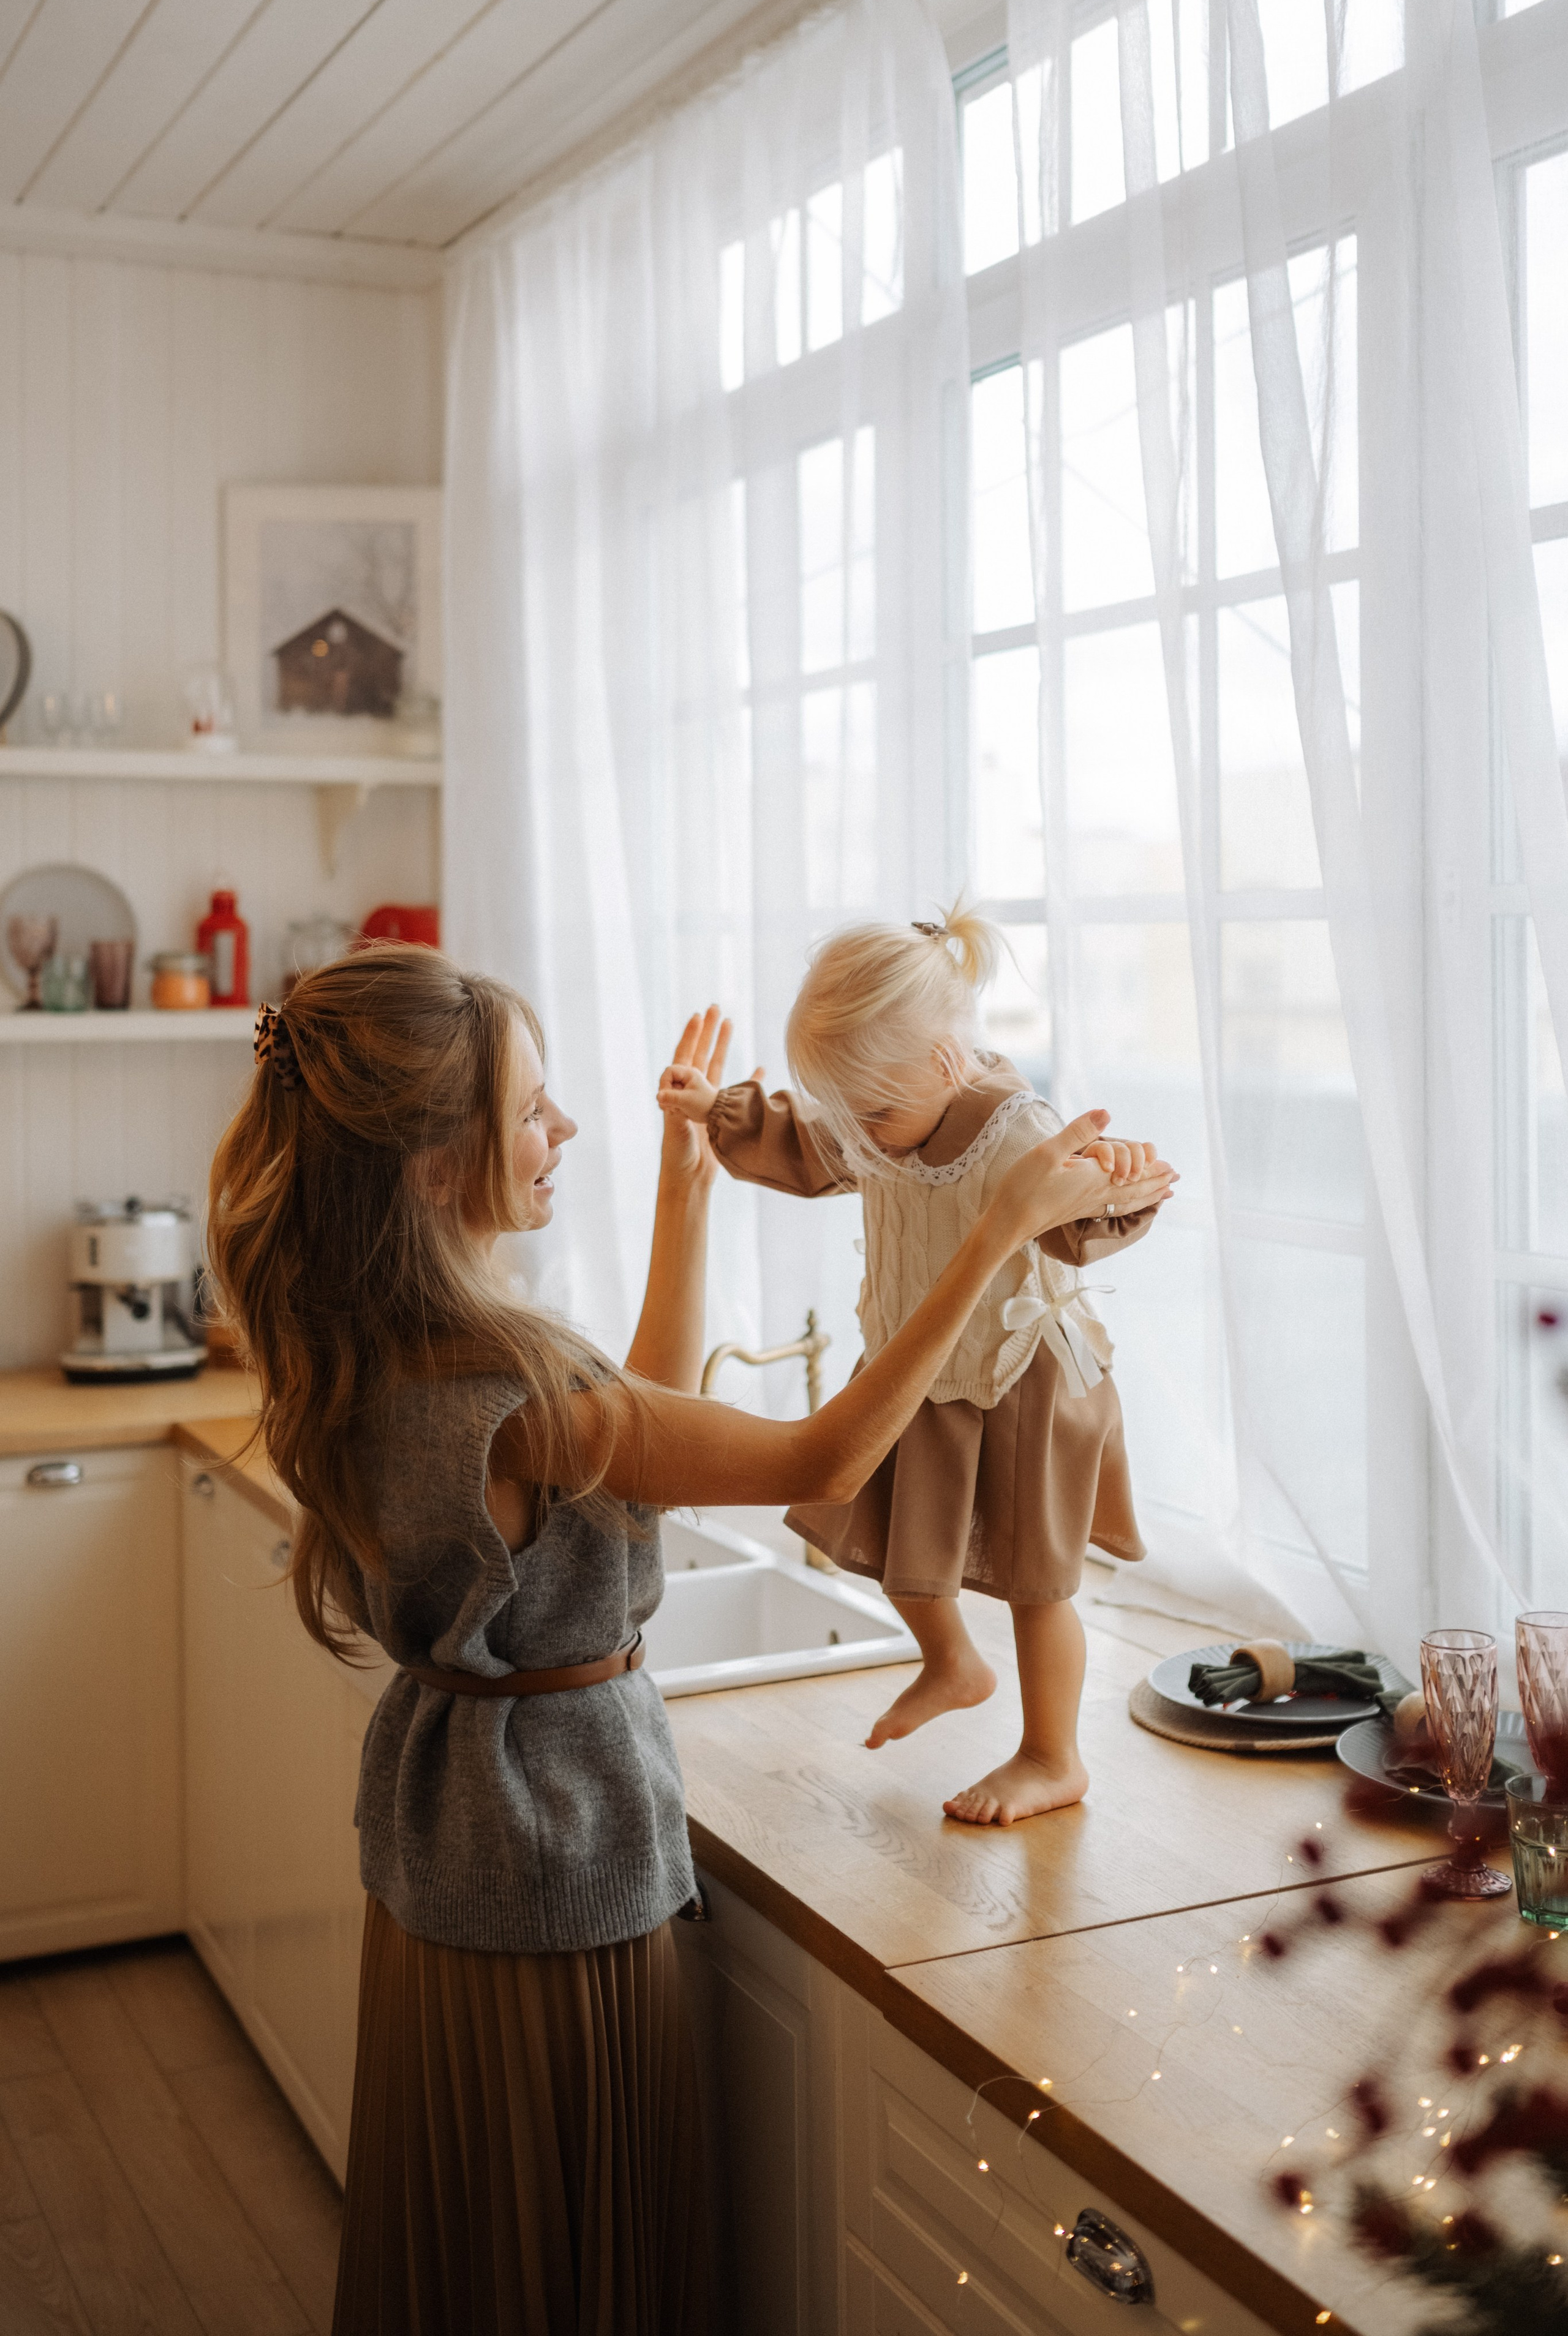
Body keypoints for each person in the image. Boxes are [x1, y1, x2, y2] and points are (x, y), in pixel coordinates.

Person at [206, 944, 1172, 2336]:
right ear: (431, 1166)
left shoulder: (365, 1340)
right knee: (574, 2248)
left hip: (444, 1849)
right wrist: (994, 1224)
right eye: (532, 1112)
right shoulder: (514, 1385)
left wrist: (686, 1176)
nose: (563, 1131)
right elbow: (826, 1460)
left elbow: (639, 1427)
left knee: (476, 2228)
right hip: (557, 1861)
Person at [658, 904, 1176, 1829]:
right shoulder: (881, 1115)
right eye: (848, 1113)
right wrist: (718, 1112)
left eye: (875, 1113)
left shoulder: (1013, 1128)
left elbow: (1078, 1206)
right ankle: (952, 1664)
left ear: (943, 1064)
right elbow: (806, 1147)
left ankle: (1053, 1755)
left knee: (1036, 1584)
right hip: (924, 1373)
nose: (861, 1135)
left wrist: (1120, 1181)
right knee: (896, 1538)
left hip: (1026, 1378)